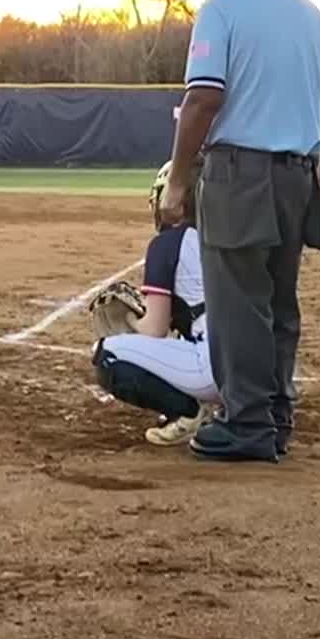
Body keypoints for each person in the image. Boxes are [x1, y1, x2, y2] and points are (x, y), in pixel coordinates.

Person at [160, 0, 320, 463]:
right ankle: (275, 415)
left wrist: (177, 178)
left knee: (238, 302)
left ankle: (246, 423)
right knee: (277, 299)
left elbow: (204, 98)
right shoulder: (310, 17)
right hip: (297, 174)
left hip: (238, 175)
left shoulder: (220, 12)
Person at [89, 162, 220, 446]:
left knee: (106, 354)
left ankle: (188, 413)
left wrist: (129, 320)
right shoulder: (234, 237)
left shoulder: (167, 243)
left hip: (217, 371)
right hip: (265, 372)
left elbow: (154, 330)